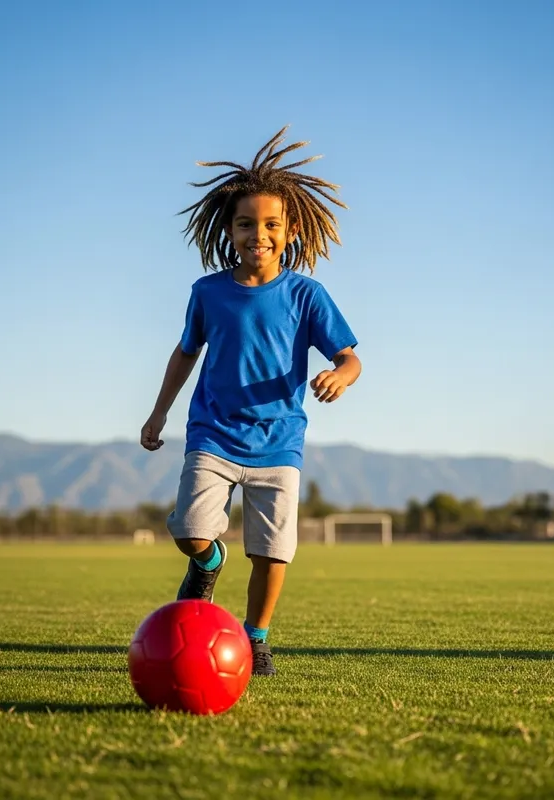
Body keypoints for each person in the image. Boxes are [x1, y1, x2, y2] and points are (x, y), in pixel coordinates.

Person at [140, 126, 361, 676]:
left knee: (270, 552)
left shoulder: (306, 294)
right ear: (230, 229)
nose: (257, 234)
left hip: (279, 441)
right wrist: (159, 410)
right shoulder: (208, 292)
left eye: (270, 224)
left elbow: (352, 356)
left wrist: (342, 374)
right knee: (191, 532)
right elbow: (185, 352)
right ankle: (208, 564)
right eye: (245, 223)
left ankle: (256, 637)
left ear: (289, 231)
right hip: (212, 432)